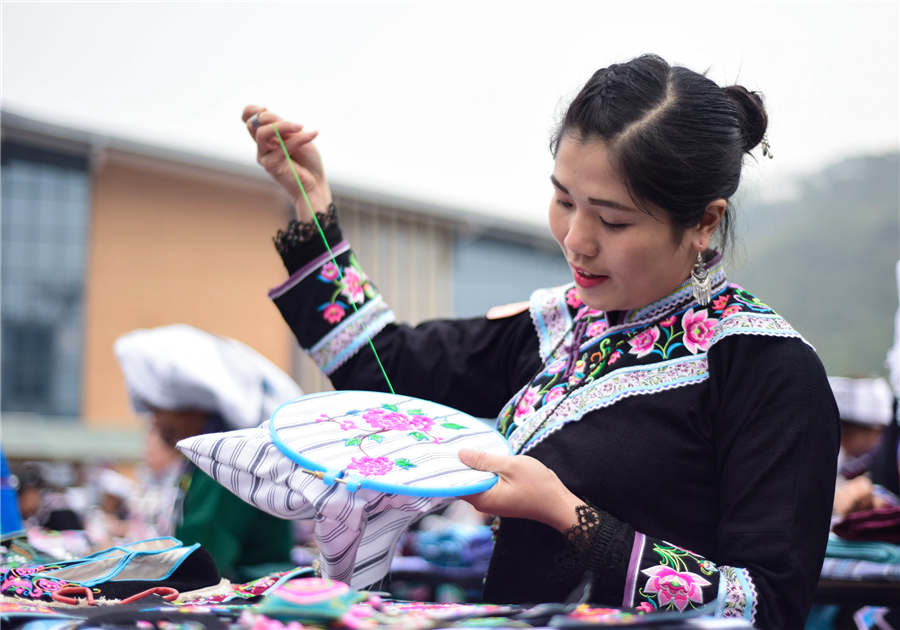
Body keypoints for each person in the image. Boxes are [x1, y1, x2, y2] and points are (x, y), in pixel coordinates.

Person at [242, 54, 839, 628]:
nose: (576, 240)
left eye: (612, 220)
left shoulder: (766, 368)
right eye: (563, 201)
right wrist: (310, 199)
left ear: (705, 221)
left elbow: (765, 608)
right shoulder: (558, 324)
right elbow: (382, 366)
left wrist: (568, 516)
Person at [114, 324, 303, 581]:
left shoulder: (226, 464)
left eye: (160, 410)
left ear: (194, 407)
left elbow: (199, 560)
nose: (156, 423)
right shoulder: (209, 460)